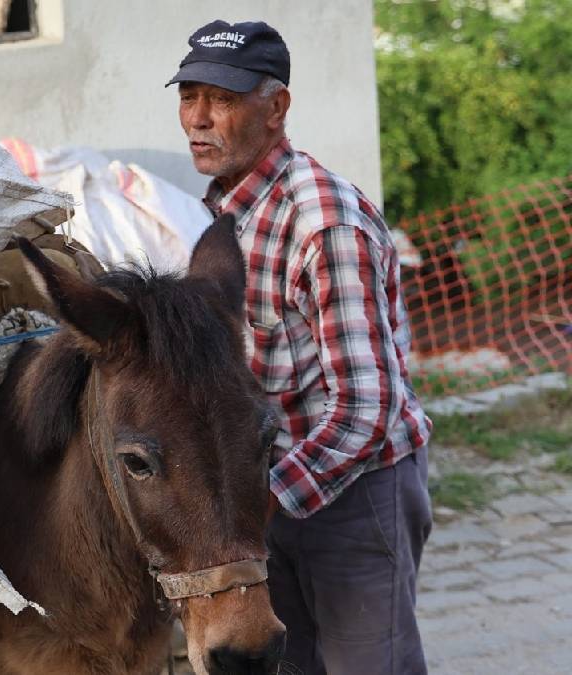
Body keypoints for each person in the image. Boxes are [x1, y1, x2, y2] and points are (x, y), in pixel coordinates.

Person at [166, 20, 434, 674]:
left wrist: (261, 499)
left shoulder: (325, 223)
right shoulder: (218, 214)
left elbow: (366, 409)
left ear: (276, 108)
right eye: (189, 96)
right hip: (266, 497)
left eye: (222, 100)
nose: (197, 118)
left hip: (355, 493)